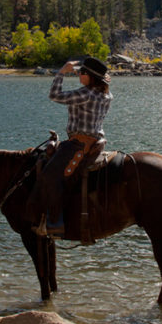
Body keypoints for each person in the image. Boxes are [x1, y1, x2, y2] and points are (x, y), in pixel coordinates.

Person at [33, 56, 113, 237]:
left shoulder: (85, 94)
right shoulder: (106, 94)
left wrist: (61, 72)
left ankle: (55, 223)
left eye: (82, 72)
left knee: (49, 175)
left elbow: (54, 95)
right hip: (95, 141)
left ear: (91, 76)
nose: (79, 75)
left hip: (78, 143)